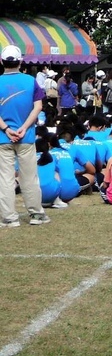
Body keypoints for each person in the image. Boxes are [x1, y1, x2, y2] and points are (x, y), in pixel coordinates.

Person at [0, 45, 49, 227]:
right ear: (20, 61)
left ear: (1, 62)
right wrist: (23, 128)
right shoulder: (31, 81)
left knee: (5, 179)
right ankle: (36, 214)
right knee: (29, 177)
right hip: (26, 137)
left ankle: (9, 218)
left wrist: (6, 129)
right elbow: (38, 107)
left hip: (3, 138)